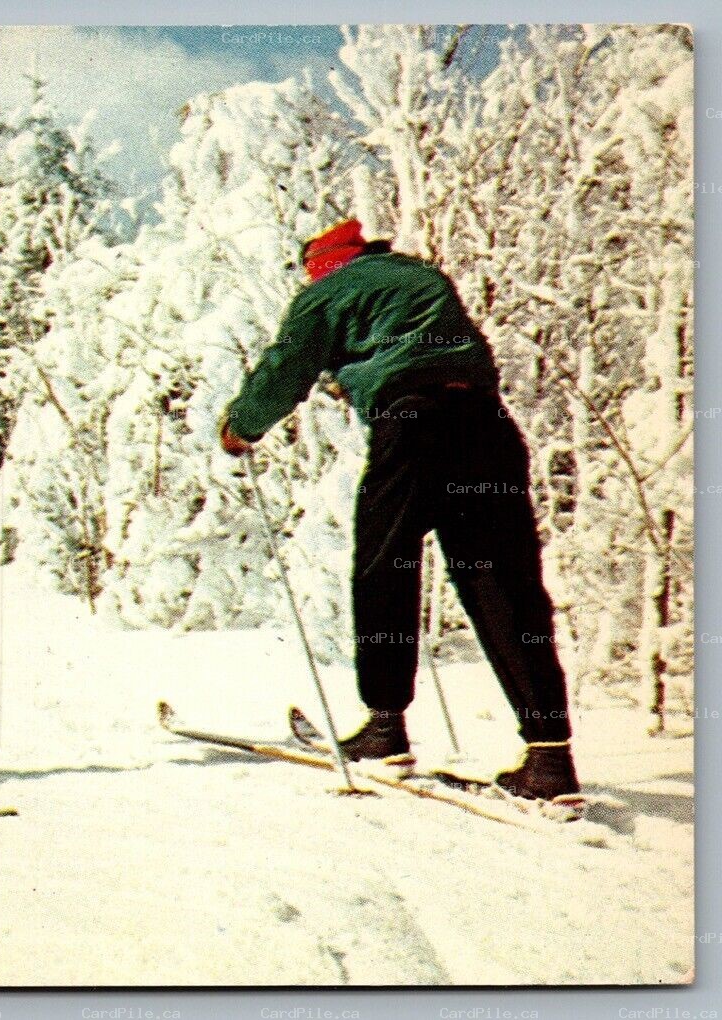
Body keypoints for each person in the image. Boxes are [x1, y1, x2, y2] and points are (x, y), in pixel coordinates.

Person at [219, 219, 579, 801]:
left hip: (412, 423)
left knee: (386, 567)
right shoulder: (420, 277)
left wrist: (242, 426)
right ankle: (549, 759)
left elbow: (287, 367)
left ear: (321, 265)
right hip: (487, 426)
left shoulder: (326, 291)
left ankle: (385, 730)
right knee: (502, 584)